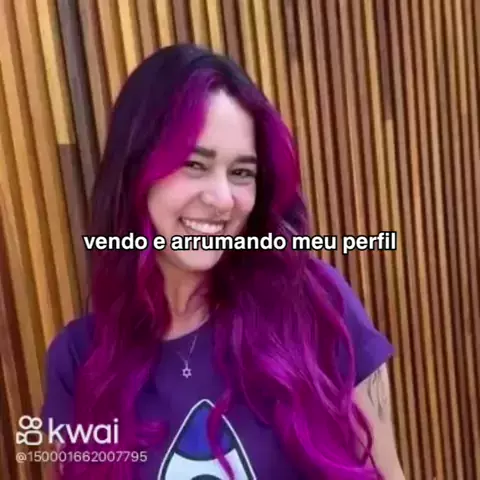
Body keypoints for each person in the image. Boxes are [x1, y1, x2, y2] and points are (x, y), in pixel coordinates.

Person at [40, 44, 405, 479]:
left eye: (241, 172)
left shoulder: (318, 307)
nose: (223, 199)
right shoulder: (78, 361)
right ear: (136, 171)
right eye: (195, 164)